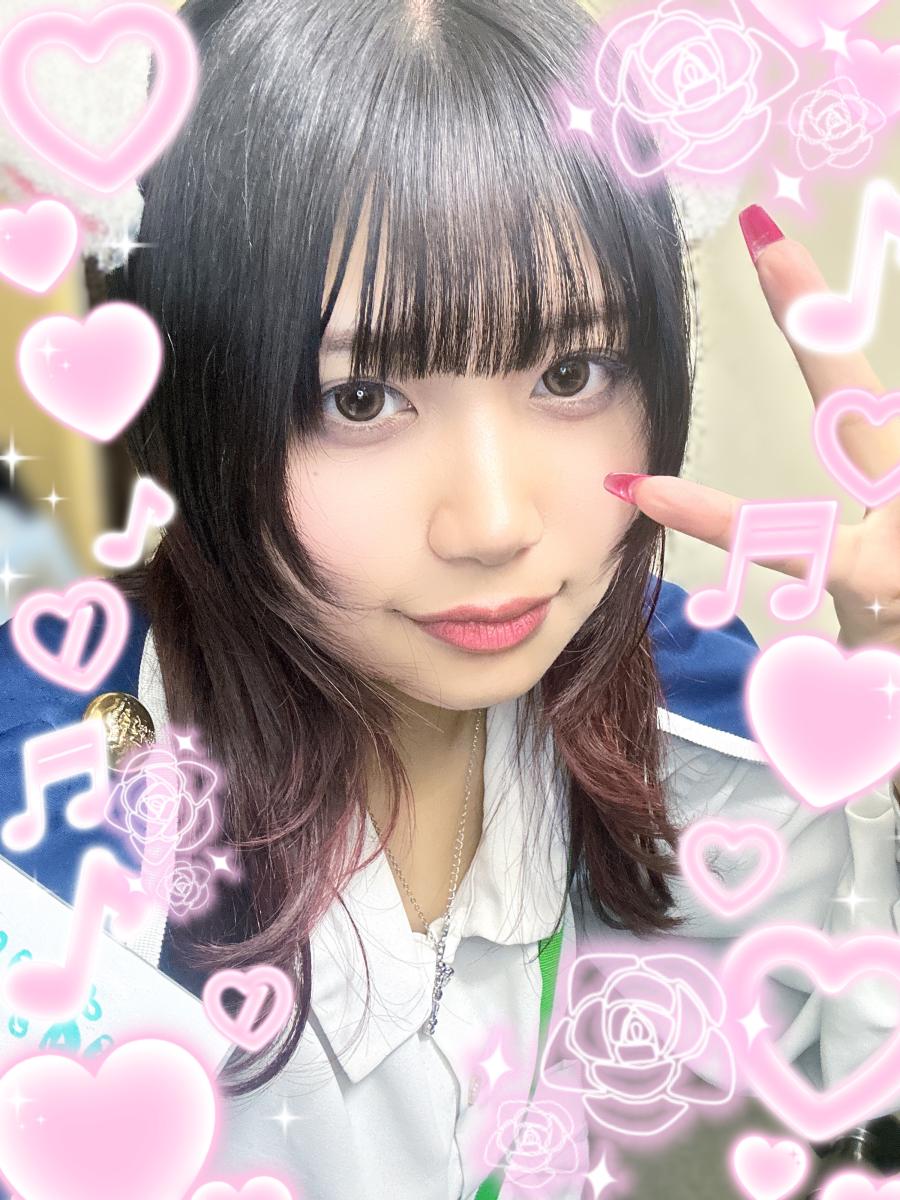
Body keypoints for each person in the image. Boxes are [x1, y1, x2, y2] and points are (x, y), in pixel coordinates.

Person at [1, 1, 899, 1197]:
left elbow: (854, 1036)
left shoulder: (671, 692)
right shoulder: (46, 831)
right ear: (181, 402)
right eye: (359, 398)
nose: (493, 525)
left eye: (571, 372)